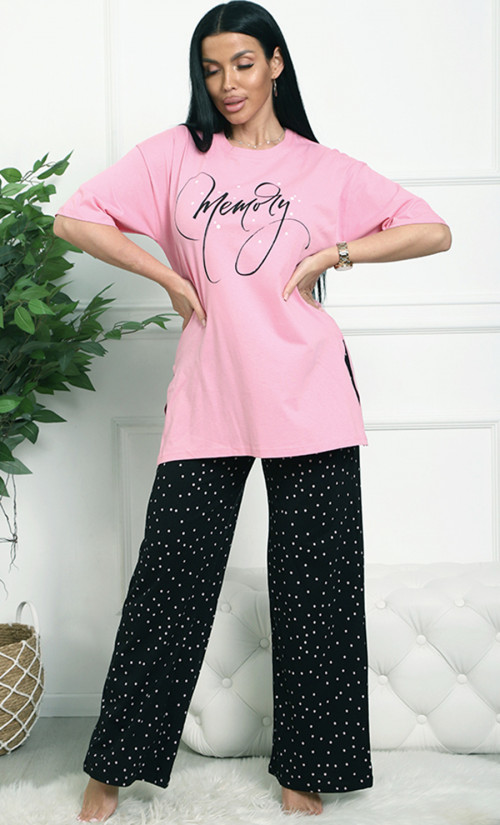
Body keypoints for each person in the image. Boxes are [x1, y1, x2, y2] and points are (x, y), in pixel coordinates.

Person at [54, 2, 451, 820]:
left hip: (311, 392)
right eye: (211, 69)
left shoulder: (324, 168)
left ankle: (307, 769)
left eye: (242, 63)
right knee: (169, 584)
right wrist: (167, 275)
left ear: (275, 62)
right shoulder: (175, 156)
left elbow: (431, 229)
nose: (227, 83)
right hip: (212, 394)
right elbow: (74, 218)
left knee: (317, 592)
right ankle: (112, 768)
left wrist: (337, 251)